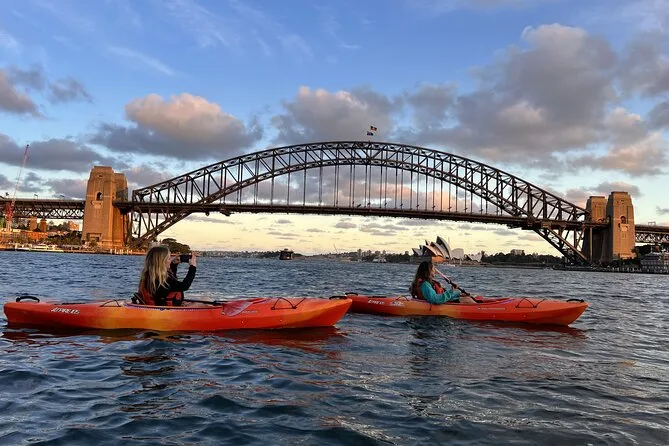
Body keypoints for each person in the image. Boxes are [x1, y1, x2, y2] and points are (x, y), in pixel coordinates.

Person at [410, 260, 476, 304]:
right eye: (433, 269)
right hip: (439, 303)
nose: (435, 271)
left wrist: (458, 294)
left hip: (443, 301)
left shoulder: (428, 283)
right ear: (428, 272)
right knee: (468, 300)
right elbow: (435, 299)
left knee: (468, 297)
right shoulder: (425, 285)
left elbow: (442, 295)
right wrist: (451, 291)